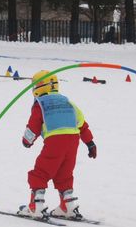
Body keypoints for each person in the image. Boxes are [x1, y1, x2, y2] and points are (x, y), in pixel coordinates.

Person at [17, 70, 97, 219]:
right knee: (64, 173)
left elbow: (33, 125)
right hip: (73, 141)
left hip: (55, 141)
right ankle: (67, 206)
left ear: (38, 87)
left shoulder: (40, 104)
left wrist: (27, 140)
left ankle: (36, 206)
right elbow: (82, 124)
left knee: (41, 171)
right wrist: (90, 143)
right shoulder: (68, 102)